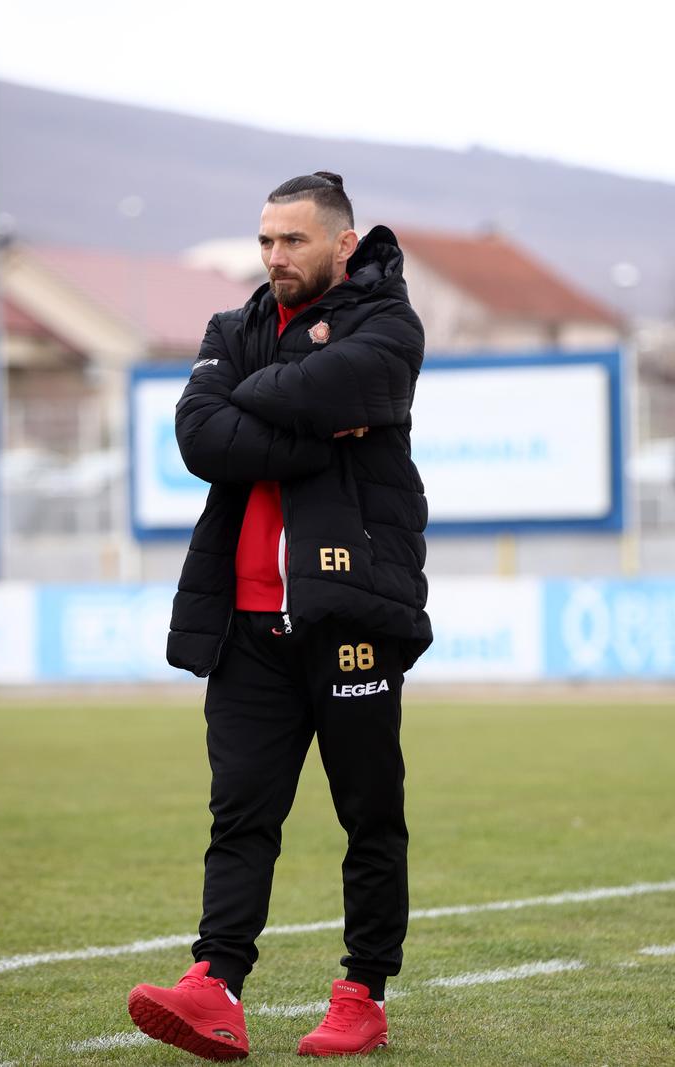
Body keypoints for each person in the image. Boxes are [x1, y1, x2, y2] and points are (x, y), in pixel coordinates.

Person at [126, 171, 431, 1060]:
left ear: (341, 243)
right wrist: (308, 414)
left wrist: (245, 402)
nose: (273, 256)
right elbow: (197, 437)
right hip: (247, 626)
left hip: (349, 615)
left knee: (368, 812)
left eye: (292, 240)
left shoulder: (389, 325)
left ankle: (363, 993)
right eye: (264, 240)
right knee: (241, 813)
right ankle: (214, 985)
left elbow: (248, 414)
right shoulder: (236, 326)